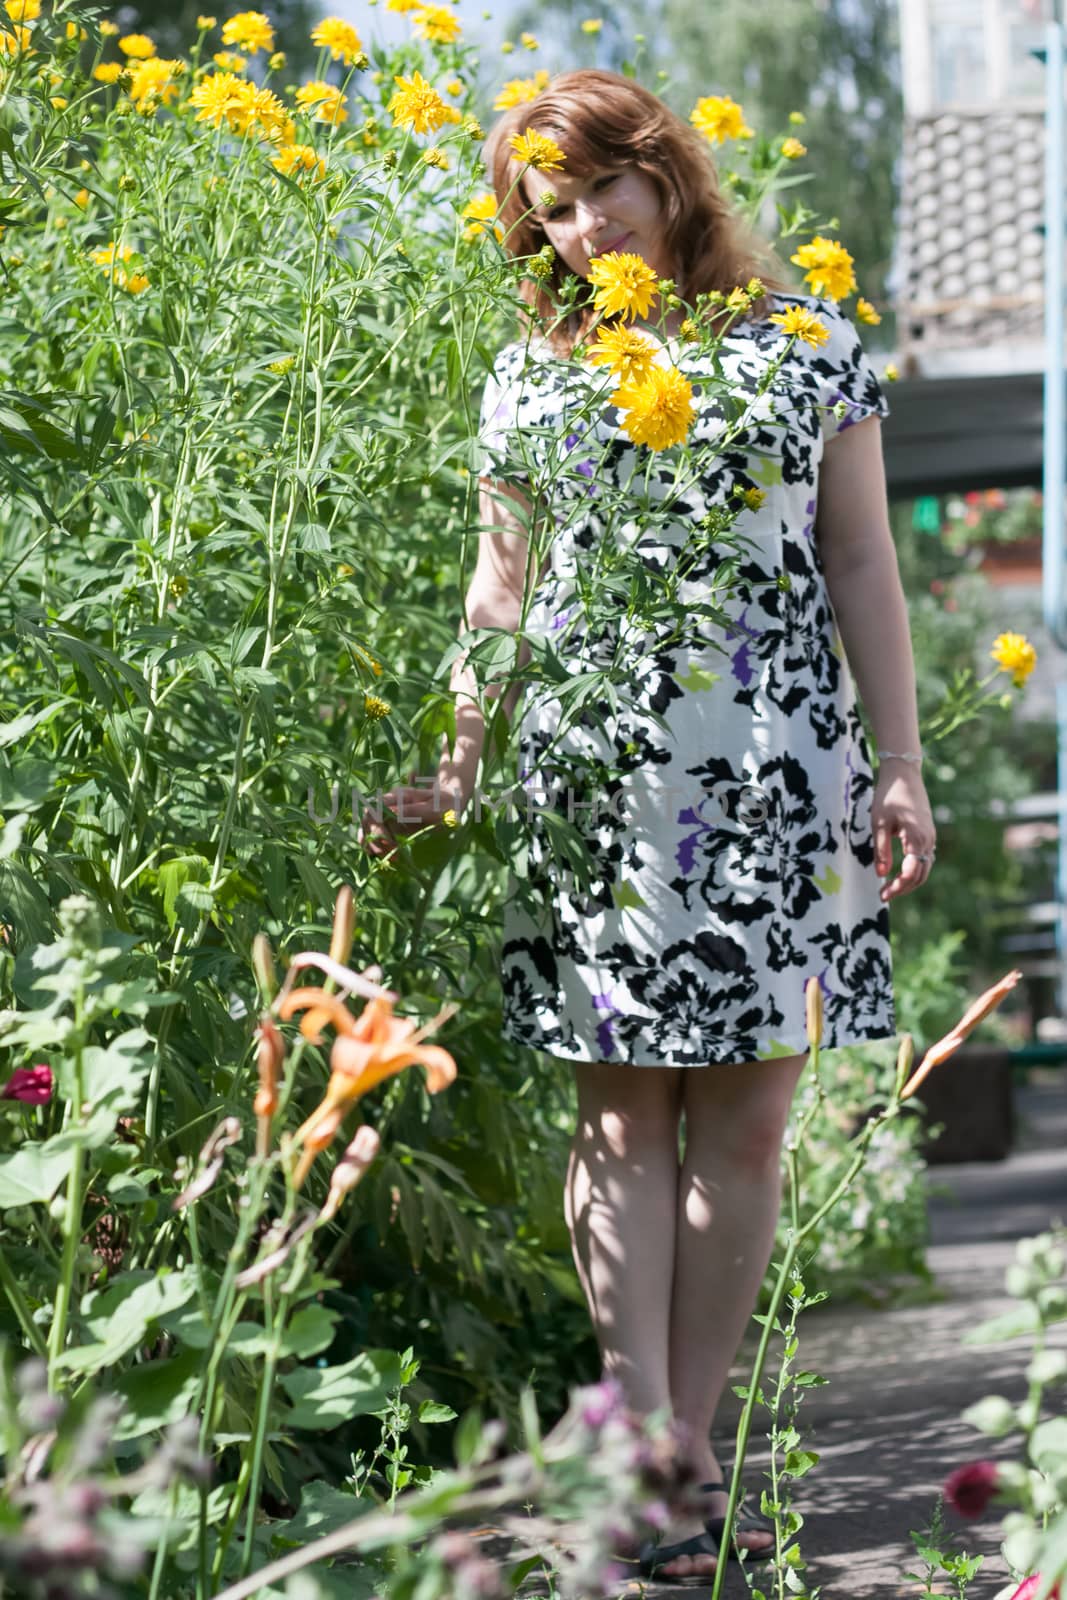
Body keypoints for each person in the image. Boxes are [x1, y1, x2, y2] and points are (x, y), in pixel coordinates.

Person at [362, 68, 936, 1582]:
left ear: (666, 173)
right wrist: (459, 761)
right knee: (620, 1115)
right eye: (551, 210)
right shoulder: (529, 380)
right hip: (596, 779)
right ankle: (643, 1467)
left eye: (603, 185)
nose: (585, 223)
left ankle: (686, 1456)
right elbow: (501, 591)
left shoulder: (810, 346)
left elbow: (865, 563)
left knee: (746, 1118)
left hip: (780, 769)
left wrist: (901, 763)